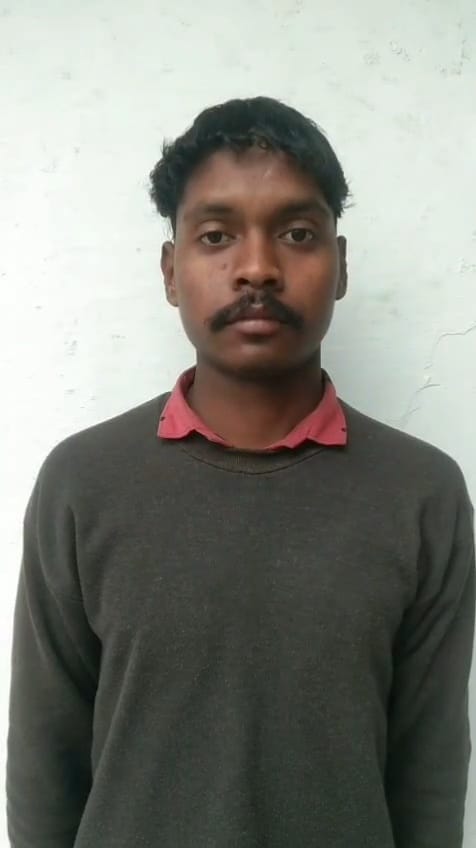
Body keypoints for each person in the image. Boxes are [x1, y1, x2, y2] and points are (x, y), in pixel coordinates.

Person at [6, 96, 475, 848]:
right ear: (171, 271)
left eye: (297, 234)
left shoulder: (423, 496)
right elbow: (42, 772)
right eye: (217, 236)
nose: (257, 267)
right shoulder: (81, 484)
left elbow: (429, 778)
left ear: (341, 265)